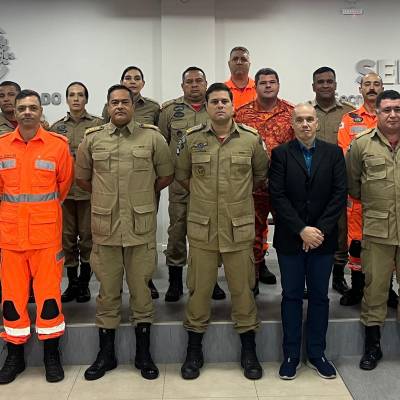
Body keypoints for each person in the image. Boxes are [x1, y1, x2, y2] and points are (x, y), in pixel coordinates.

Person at [76, 84, 173, 380]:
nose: (119, 106)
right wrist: (107, 201)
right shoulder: (92, 139)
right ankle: (107, 355)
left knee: (142, 293)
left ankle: (144, 354)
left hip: (140, 228)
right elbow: (82, 179)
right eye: (114, 102)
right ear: (107, 106)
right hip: (105, 230)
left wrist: (140, 195)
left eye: (124, 102)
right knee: (107, 294)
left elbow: (166, 175)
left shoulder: (152, 137)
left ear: (133, 105)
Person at [176, 83, 268, 380]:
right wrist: (208, 201)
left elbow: (259, 176)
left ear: (232, 105)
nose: (219, 106)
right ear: (206, 106)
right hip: (203, 228)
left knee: (243, 290)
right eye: (213, 101)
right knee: (199, 290)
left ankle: (249, 349)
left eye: (224, 101)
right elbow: (183, 176)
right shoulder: (191, 140)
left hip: (237, 227)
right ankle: (193, 350)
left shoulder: (251, 140)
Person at [0, 90, 74, 384]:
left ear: (41, 112)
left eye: (33, 107)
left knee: (48, 300)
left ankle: (51, 356)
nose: (27, 112)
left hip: (46, 239)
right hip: (10, 239)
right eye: (22, 108)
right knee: (12, 300)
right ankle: (14, 356)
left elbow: (63, 187)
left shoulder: (57, 146)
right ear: (14, 112)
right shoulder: (2, 146)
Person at [269, 103, 347, 380]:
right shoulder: (280, 155)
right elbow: (277, 196)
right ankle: (291, 354)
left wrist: (317, 232)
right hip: (291, 239)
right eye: (299, 119)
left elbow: (339, 195)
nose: (305, 124)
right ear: (292, 123)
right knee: (291, 297)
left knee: (319, 297)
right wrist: (301, 229)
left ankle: (316, 353)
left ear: (316, 123)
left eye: (309, 119)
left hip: (322, 241)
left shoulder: (334, 153)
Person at [159, 67, 226, 302]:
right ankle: (175, 282)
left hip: (209, 187)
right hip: (180, 184)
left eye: (199, 81)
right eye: (190, 82)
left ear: (206, 84)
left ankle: (211, 281)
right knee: (177, 232)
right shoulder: (169, 111)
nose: (194, 85)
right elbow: (161, 145)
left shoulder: (216, 108)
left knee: (210, 234)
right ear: (182, 86)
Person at [346, 89, 400, 370]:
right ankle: (372, 347)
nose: (393, 114)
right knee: (375, 290)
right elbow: (353, 187)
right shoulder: (361, 145)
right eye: (387, 109)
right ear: (376, 112)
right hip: (377, 231)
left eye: (398, 109)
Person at [337, 74, 397, 308]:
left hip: (387, 198)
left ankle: (387, 289)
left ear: (383, 88)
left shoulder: (393, 118)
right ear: (360, 89)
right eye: (367, 85)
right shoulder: (349, 119)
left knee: (387, 243)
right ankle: (358, 287)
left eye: (376, 85)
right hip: (359, 197)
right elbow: (346, 157)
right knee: (357, 244)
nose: (372, 89)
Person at [103, 66, 161, 298]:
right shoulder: (111, 106)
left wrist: (149, 183)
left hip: (145, 179)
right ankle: (114, 280)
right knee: (114, 227)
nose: (132, 81)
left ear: (143, 83)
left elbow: (160, 139)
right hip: (113, 182)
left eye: (137, 78)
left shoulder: (155, 108)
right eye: (128, 78)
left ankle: (145, 279)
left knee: (145, 229)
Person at [235, 68, 294, 292]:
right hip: (252, 185)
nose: (268, 86)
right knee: (252, 234)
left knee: (290, 233)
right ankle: (254, 277)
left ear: (278, 85)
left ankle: (293, 280)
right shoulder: (241, 114)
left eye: (272, 82)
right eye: (263, 82)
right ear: (255, 86)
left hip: (285, 187)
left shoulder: (292, 112)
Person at [50, 82, 103, 304]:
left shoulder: (98, 125)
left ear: (86, 99)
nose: (76, 99)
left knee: (88, 239)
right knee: (67, 239)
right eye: (72, 95)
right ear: (67, 99)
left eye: (80, 95)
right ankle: (71, 283)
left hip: (88, 192)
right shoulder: (55, 128)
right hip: (64, 194)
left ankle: (83, 284)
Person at [310, 66, 355, 295]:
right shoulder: (306, 113)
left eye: (329, 81)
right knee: (312, 229)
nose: (325, 85)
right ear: (313, 86)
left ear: (336, 85)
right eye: (321, 82)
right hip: (311, 185)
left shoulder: (349, 114)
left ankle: (338, 276)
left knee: (340, 229)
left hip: (341, 183)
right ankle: (311, 281)